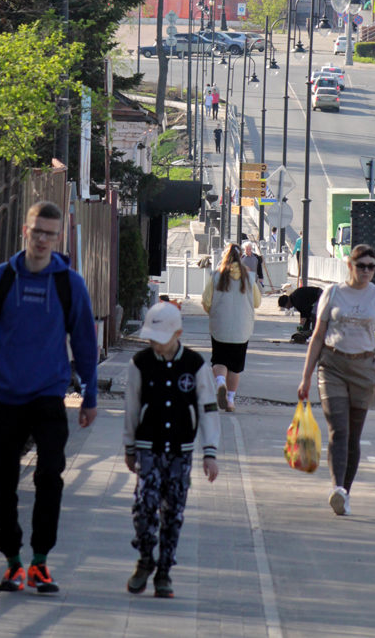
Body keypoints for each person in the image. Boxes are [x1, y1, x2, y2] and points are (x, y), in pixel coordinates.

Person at [0, 201, 98, 594]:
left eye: (50, 234)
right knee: (3, 482)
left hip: (49, 396)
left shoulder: (69, 284)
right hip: (5, 397)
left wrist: (89, 395)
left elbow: (85, 343)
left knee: (49, 475)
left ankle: (41, 562)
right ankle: (13, 562)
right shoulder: (0, 280)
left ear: (58, 238)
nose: (43, 240)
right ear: (25, 232)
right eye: (37, 232)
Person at [124, 302, 219, 599]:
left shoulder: (195, 365)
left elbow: (208, 408)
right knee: (144, 505)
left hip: (181, 451)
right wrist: (129, 446)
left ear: (178, 334)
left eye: (161, 339)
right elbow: (131, 407)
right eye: (151, 338)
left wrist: (210, 451)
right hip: (147, 448)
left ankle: (164, 570)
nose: (155, 344)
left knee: (173, 511)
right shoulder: (140, 363)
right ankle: (145, 558)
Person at [297, 244, 375, 517]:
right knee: (338, 430)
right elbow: (317, 336)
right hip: (332, 367)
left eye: (371, 267)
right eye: (361, 266)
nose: (367, 271)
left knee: (353, 437)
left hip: (364, 369)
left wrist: (374, 367)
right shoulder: (333, 293)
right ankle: (337, 488)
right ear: (350, 266)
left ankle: (345, 494)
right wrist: (306, 377)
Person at [201, 242, 261, 412]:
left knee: (219, 360)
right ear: (241, 257)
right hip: (242, 328)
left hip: (220, 326)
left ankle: (220, 382)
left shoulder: (216, 276)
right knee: (235, 367)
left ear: (224, 257)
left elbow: (206, 302)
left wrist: (213, 312)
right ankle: (230, 401)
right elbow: (257, 302)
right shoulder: (248, 278)